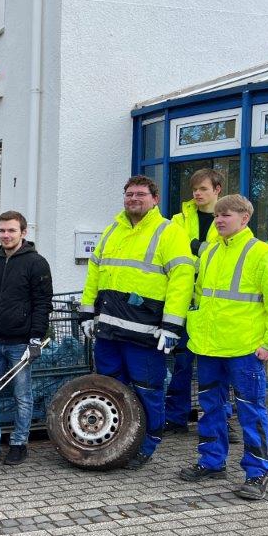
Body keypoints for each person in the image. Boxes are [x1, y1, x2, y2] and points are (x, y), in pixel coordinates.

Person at [179, 195, 268, 500]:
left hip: (245, 349)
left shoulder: (263, 254)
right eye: (216, 215)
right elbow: (200, 295)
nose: (218, 220)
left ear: (245, 218)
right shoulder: (211, 251)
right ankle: (212, 463)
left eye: (225, 215)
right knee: (211, 408)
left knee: (251, 411)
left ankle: (257, 474)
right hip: (208, 347)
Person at [79, 175, 195, 469]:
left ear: (155, 199)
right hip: (108, 331)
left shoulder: (170, 232)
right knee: (111, 390)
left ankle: (147, 443)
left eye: (140, 194)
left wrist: (171, 327)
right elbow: (95, 273)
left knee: (148, 390)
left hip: (146, 333)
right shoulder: (112, 230)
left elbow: (182, 282)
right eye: (129, 194)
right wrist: (86, 313)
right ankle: (118, 443)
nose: (134, 199)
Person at [0, 211, 53, 465]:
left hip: (20, 343)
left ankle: (19, 443)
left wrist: (36, 339)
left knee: (22, 395)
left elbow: (42, 304)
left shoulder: (36, 263)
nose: (6, 235)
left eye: (12, 231)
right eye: (2, 231)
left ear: (23, 233)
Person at [164, 168, 226, 436]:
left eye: (203, 189)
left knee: (216, 368)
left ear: (217, 189)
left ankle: (220, 420)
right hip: (184, 300)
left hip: (213, 304)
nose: (198, 194)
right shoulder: (178, 219)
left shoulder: (227, 216)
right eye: (195, 190)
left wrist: (194, 245)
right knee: (181, 364)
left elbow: (225, 253)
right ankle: (176, 418)